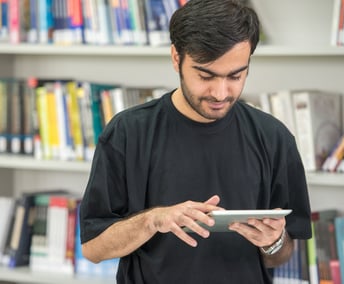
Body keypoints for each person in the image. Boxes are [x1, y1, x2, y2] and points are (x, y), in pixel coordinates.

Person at [79, 0, 312, 283]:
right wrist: (153, 220)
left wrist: (273, 241)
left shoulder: (274, 137)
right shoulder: (128, 132)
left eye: (235, 76)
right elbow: (93, 248)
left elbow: (282, 254)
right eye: (205, 75)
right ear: (176, 58)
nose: (220, 92)